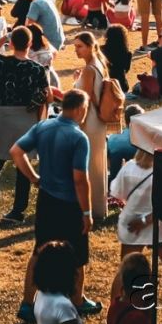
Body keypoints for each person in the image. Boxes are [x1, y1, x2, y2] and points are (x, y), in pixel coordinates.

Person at [12, 89, 101, 324]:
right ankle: (78, 299)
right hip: (70, 203)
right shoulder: (78, 137)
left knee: (39, 250)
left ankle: (27, 303)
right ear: (81, 109)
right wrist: (87, 212)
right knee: (78, 253)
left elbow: (16, 151)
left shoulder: (43, 127)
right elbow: (80, 179)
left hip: (47, 199)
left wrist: (33, 177)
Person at [0, 25, 48, 226]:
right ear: (30, 44)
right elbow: (46, 96)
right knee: (23, 167)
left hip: (5, 116)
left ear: (12, 43)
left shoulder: (2, 62)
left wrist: (6, 35)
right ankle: (17, 211)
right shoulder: (38, 69)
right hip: (28, 118)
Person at [109, 148, 162, 324]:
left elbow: (116, 193)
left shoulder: (128, 168)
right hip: (158, 228)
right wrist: (145, 219)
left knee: (124, 272)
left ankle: (115, 311)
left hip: (131, 226)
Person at [70, 32, 121, 215]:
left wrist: (79, 125)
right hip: (96, 121)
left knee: (88, 165)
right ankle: (97, 207)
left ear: (90, 46)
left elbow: (85, 99)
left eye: (80, 46)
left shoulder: (90, 69)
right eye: (75, 46)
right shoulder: (98, 64)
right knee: (97, 164)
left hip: (89, 120)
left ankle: (89, 207)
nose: (76, 50)